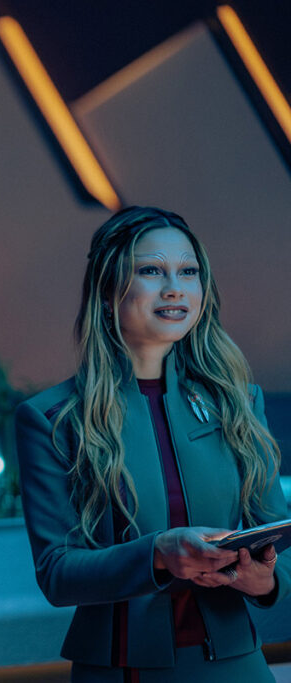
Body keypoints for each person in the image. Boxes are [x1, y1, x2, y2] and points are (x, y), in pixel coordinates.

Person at [15, 206, 290, 681]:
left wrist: (265, 580)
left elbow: (279, 538)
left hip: (236, 665)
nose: (175, 288)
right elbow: (57, 573)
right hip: (120, 669)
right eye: (150, 271)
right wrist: (159, 554)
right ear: (107, 293)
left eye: (188, 272)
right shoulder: (52, 419)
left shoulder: (239, 402)